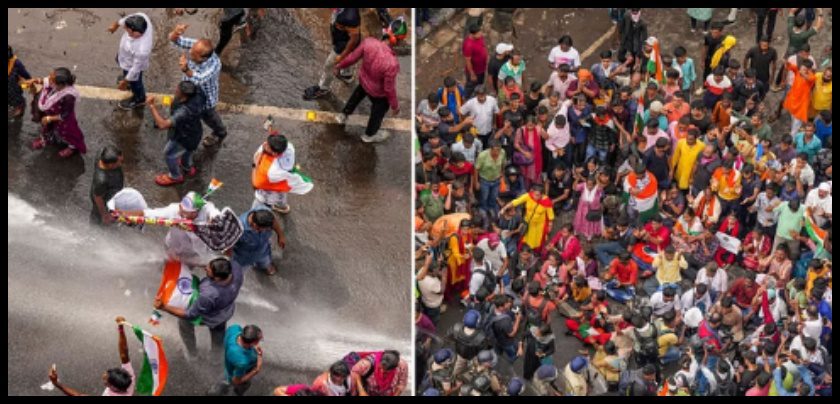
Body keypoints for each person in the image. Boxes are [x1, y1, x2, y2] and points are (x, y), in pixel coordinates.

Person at [154, 257, 244, 361]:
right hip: (225, 312)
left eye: (208, 270)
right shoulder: (236, 269)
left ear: (217, 278)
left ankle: (192, 355)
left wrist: (164, 307)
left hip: (208, 317)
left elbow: (190, 315)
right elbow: (228, 259)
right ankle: (216, 358)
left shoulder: (209, 294)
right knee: (218, 335)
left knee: (184, 325)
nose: (205, 268)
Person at [335, 18, 405, 143]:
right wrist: (395, 106)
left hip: (364, 81)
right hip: (378, 93)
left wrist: (339, 66)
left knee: (356, 96)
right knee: (379, 111)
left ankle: (343, 115)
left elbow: (352, 58)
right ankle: (369, 135)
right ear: (398, 41)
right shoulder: (392, 63)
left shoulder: (368, 42)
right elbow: (389, 89)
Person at [48, 316, 134, 396]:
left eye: (106, 380)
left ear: (113, 387)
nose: (104, 375)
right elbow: (124, 354)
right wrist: (121, 327)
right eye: (108, 373)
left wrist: (56, 383)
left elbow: (78, 395)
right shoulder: (129, 377)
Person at [146, 81, 206, 186]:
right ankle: (186, 167)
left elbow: (163, 125)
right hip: (195, 132)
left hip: (182, 136)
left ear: (184, 95)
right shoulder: (198, 94)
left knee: (169, 154)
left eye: (177, 90)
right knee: (188, 150)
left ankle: (175, 176)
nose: (175, 90)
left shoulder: (184, 111)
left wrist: (152, 106)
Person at [29, 67, 86, 158]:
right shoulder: (55, 84)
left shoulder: (69, 97)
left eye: (52, 81)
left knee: (68, 134)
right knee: (48, 128)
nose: (49, 81)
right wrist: (36, 80)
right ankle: (47, 139)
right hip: (51, 113)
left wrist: (49, 118)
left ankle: (72, 148)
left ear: (61, 85)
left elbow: (65, 114)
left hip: (63, 120)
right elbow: (46, 81)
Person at [251, 133, 309, 214]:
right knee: (281, 195)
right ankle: (282, 206)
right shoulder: (289, 147)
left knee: (258, 208)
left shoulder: (271, 171)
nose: (264, 145)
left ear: (275, 154)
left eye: (267, 145)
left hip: (269, 190)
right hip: (282, 183)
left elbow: (256, 184)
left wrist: (254, 165)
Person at [107, 12, 153, 110]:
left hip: (132, 65)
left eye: (128, 31)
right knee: (125, 70)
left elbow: (135, 69)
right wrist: (114, 26)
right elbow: (122, 21)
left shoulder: (142, 50)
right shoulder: (141, 18)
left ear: (135, 32)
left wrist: (125, 81)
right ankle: (128, 81)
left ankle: (139, 99)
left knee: (136, 82)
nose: (126, 31)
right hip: (124, 55)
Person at [208, 324, 263, 396]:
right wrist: (256, 369)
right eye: (259, 340)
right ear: (253, 343)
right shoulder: (242, 361)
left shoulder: (235, 328)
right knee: (238, 385)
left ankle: (214, 391)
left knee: (224, 378)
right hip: (241, 373)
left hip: (229, 366)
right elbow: (237, 381)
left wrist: (253, 346)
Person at [232, 207, 286, 276]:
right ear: (255, 226)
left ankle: (266, 266)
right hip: (242, 258)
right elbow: (229, 246)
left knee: (265, 262)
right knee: (238, 274)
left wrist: (280, 235)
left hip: (262, 251)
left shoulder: (264, 212)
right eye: (265, 229)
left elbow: (274, 222)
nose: (268, 230)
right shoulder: (238, 229)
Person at [502, 184, 554, 253]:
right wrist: (504, 208)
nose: (535, 196)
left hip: (538, 226)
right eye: (534, 194)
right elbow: (516, 201)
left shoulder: (547, 202)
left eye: (538, 195)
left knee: (535, 242)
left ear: (542, 195)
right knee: (524, 239)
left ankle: (533, 253)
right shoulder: (528, 196)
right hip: (527, 223)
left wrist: (549, 227)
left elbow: (550, 216)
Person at [88, 146, 125, 226]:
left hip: (111, 189)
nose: (121, 162)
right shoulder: (101, 180)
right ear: (111, 165)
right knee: (97, 214)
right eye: (119, 161)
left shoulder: (103, 152)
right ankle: (94, 229)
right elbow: (98, 198)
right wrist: (104, 215)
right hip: (103, 197)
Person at [784, 58, 817, 136]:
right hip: (793, 101)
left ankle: (792, 138)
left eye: (804, 68)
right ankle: (792, 132)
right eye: (801, 67)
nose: (801, 69)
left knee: (796, 123)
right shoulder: (798, 70)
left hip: (801, 105)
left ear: (809, 70)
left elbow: (809, 79)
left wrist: (803, 73)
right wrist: (786, 62)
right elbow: (790, 66)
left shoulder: (812, 77)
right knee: (792, 118)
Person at [463, 23, 488, 98]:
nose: (481, 34)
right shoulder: (468, 45)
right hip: (475, 71)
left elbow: (483, 45)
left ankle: (478, 95)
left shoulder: (479, 37)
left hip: (482, 68)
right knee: (471, 86)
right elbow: (467, 60)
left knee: (480, 83)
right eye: (478, 33)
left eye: (480, 32)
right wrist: (472, 74)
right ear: (472, 34)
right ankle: (467, 98)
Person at [7, 45, 32, 118]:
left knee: (17, 117)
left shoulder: (16, 63)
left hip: (14, 91)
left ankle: (21, 106)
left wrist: (23, 86)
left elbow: (28, 78)